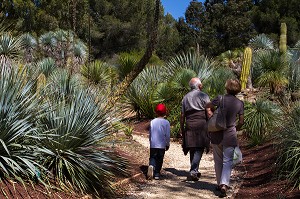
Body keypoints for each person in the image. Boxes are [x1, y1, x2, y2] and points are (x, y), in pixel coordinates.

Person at [206, 79, 244, 197]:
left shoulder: (220, 98)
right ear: (238, 89)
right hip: (230, 134)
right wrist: (235, 128)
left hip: (217, 133)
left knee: (218, 160)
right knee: (228, 161)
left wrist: (211, 114)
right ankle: (224, 184)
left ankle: (219, 184)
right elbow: (242, 121)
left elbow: (208, 106)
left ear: (227, 87)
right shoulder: (239, 103)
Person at [180, 77, 212, 181]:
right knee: (199, 148)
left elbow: (182, 115)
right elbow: (208, 112)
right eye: (201, 84)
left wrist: (182, 128)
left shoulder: (185, 98)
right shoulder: (204, 96)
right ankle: (193, 171)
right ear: (199, 86)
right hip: (201, 123)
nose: (202, 85)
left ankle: (195, 171)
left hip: (189, 123)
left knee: (192, 147)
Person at [147, 103, 170, 180]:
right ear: (165, 112)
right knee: (160, 159)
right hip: (161, 145)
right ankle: (157, 173)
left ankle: (151, 166)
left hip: (153, 144)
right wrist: (167, 144)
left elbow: (150, 133)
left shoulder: (152, 122)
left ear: (156, 112)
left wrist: (150, 140)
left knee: (153, 157)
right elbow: (167, 135)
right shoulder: (166, 122)